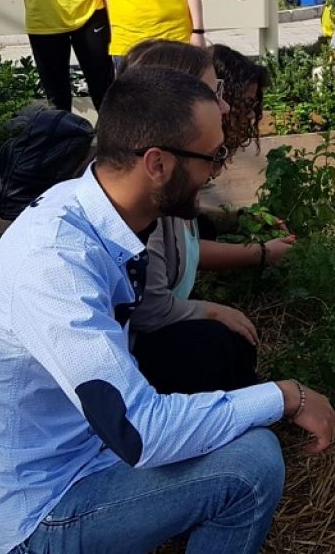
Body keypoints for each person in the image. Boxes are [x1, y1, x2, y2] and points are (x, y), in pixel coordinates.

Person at [0, 65, 335, 554]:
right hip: (40, 518)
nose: (216, 169)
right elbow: (141, 433)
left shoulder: (88, 207)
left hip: (89, 458)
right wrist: (286, 396)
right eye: (213, 155)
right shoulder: (54, 267)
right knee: (251, 465)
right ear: (157, 164)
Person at [121, 41, 294, 394]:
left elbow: (189, 239)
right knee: (218, 344)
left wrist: (238, 221)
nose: (235, 111)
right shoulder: (145, 204)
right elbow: (152, 308)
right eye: (219, 94)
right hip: (135, 359)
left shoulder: (166, 181)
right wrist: (259, 255)